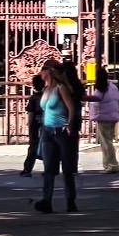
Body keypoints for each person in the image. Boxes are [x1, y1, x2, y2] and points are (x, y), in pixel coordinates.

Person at [32, 53, 83, 215]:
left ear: (50, 72)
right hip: (47, 132)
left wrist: (69, 124)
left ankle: (70, 201)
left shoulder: (61, 88)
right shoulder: (46, 89)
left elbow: (71, 107)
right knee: (49, 169)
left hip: (61, 132)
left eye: (43, 70)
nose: (40, 73)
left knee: (67, 169)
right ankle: (46, 201)